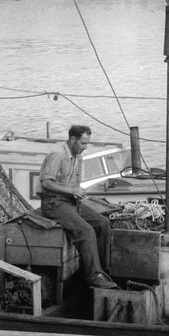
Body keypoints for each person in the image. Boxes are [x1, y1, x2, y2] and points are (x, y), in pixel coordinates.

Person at [38, 123, 116, 289]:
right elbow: (46, 183)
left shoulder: (78, 156)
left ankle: (103, 271)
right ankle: (93, 277)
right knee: (86, 231)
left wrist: (77, 193)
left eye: (87, 143)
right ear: (72, 139)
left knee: (103, 224)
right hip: (53, 203)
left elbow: (75, 185)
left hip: (70, 202)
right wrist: (71, 190)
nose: (85, 147)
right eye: (83, 143)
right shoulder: (57, 154)